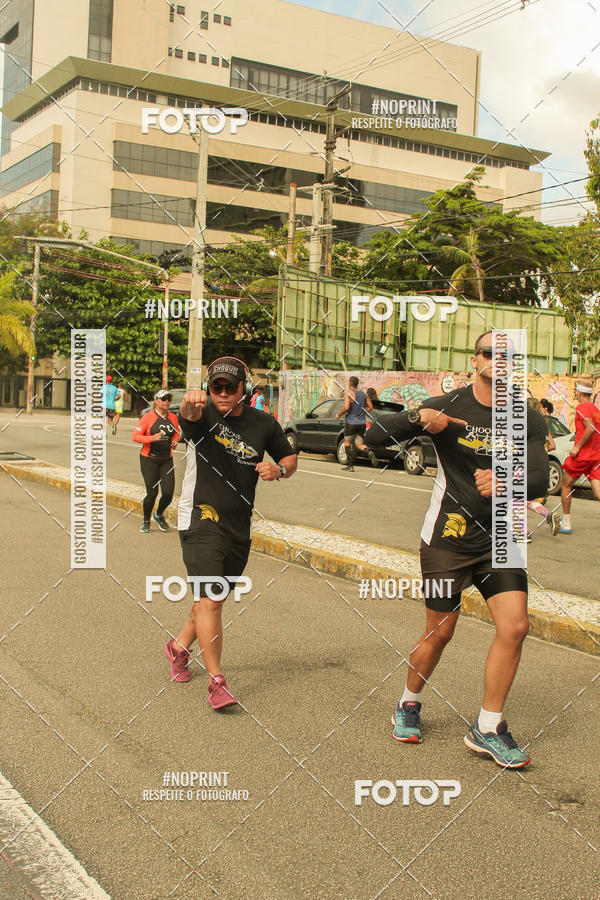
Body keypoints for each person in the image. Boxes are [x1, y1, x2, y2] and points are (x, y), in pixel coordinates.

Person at [366, 330, 549, 768]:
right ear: (475, 359)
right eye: (491, 353)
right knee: (440, 633)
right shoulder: (448, 404)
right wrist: (418, 422)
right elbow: (373, 437)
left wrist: (508, 482)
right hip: (448, 538)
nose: (498, 360)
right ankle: (409, 702)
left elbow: (541, 477)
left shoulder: (525, 414)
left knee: (515, 626)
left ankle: (488, 727)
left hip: (500, 536)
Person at [165, 356, 297, 710]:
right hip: (200, 520)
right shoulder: (202, 414)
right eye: (215, 386)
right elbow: (188, 420)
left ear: (244, 388)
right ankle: (217, 682)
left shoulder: (264, 423)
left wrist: (278, 471)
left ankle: (178, 648)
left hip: (239, 527)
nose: (222, 393)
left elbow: (290, 458)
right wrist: (191, 405)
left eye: (229, 386)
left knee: (211, 601)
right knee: (208, 600)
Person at [132, 389, 180, 533]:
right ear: (156, 401)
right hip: (149, 459)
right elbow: (135, 436)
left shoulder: (173, 417)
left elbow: (176, 433)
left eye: (168, 398)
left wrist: (175, 442)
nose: (167, 401)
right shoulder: (147, 417)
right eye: (164, 398)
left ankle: (158, 515)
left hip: (167, 460)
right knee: (152, 493)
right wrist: (151, 438)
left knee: (168, 493)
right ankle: (146, 520)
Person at [559, 380, 600, 533]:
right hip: (596, 456)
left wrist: (577, 447)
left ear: (580, 393)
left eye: (576, 391)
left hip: (582, 456)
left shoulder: (582, 407)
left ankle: (567, 523)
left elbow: (590, 428)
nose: (575, 393)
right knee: (598, 491)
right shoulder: (596, 410)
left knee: (565, 485)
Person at [525, 397, 560, 538]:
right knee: (525, 500)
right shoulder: (543, 424)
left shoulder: (526, 422)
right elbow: (552, 445)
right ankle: (548, 515)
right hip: (542, 462)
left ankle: (524, 533)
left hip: (526, 463)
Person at [335, 376, 378, 471]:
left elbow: (346, 407)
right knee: (359, 444)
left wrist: (339, 414)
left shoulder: (349, 393)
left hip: (351, 422)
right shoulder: (364, 394)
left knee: (347, 443)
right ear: (357, 383)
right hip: (362, 423)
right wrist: (362, 411)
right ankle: (369, 451)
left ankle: (350, 466)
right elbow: (370, 407)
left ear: (350, 383)